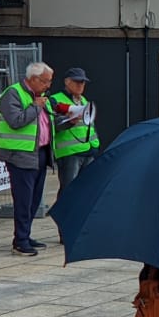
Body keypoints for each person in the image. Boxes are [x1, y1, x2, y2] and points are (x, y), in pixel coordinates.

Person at [0, 61, 54, 256]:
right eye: (46, 81)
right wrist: (36, 107)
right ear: (33, 79)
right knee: (23, 199)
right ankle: (20, 240)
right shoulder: (12, 94)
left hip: (40, 152)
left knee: (34, 199)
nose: (48, 86)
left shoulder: (41, 96)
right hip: (20, 155)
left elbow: (45, 124)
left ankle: (25, 234)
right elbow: (16, 121)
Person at [47, 68, 100, 240]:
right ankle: (65, 230)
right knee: (68, 192)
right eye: (77, 81)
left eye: (83, 82)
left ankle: (79, 228)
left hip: (87, 150)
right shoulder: (56, 100)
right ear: (67, 82)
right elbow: (53, 124)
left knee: (85, 192)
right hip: (70, 153)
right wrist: (70, 122)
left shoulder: (82, 100)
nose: (80, 85)